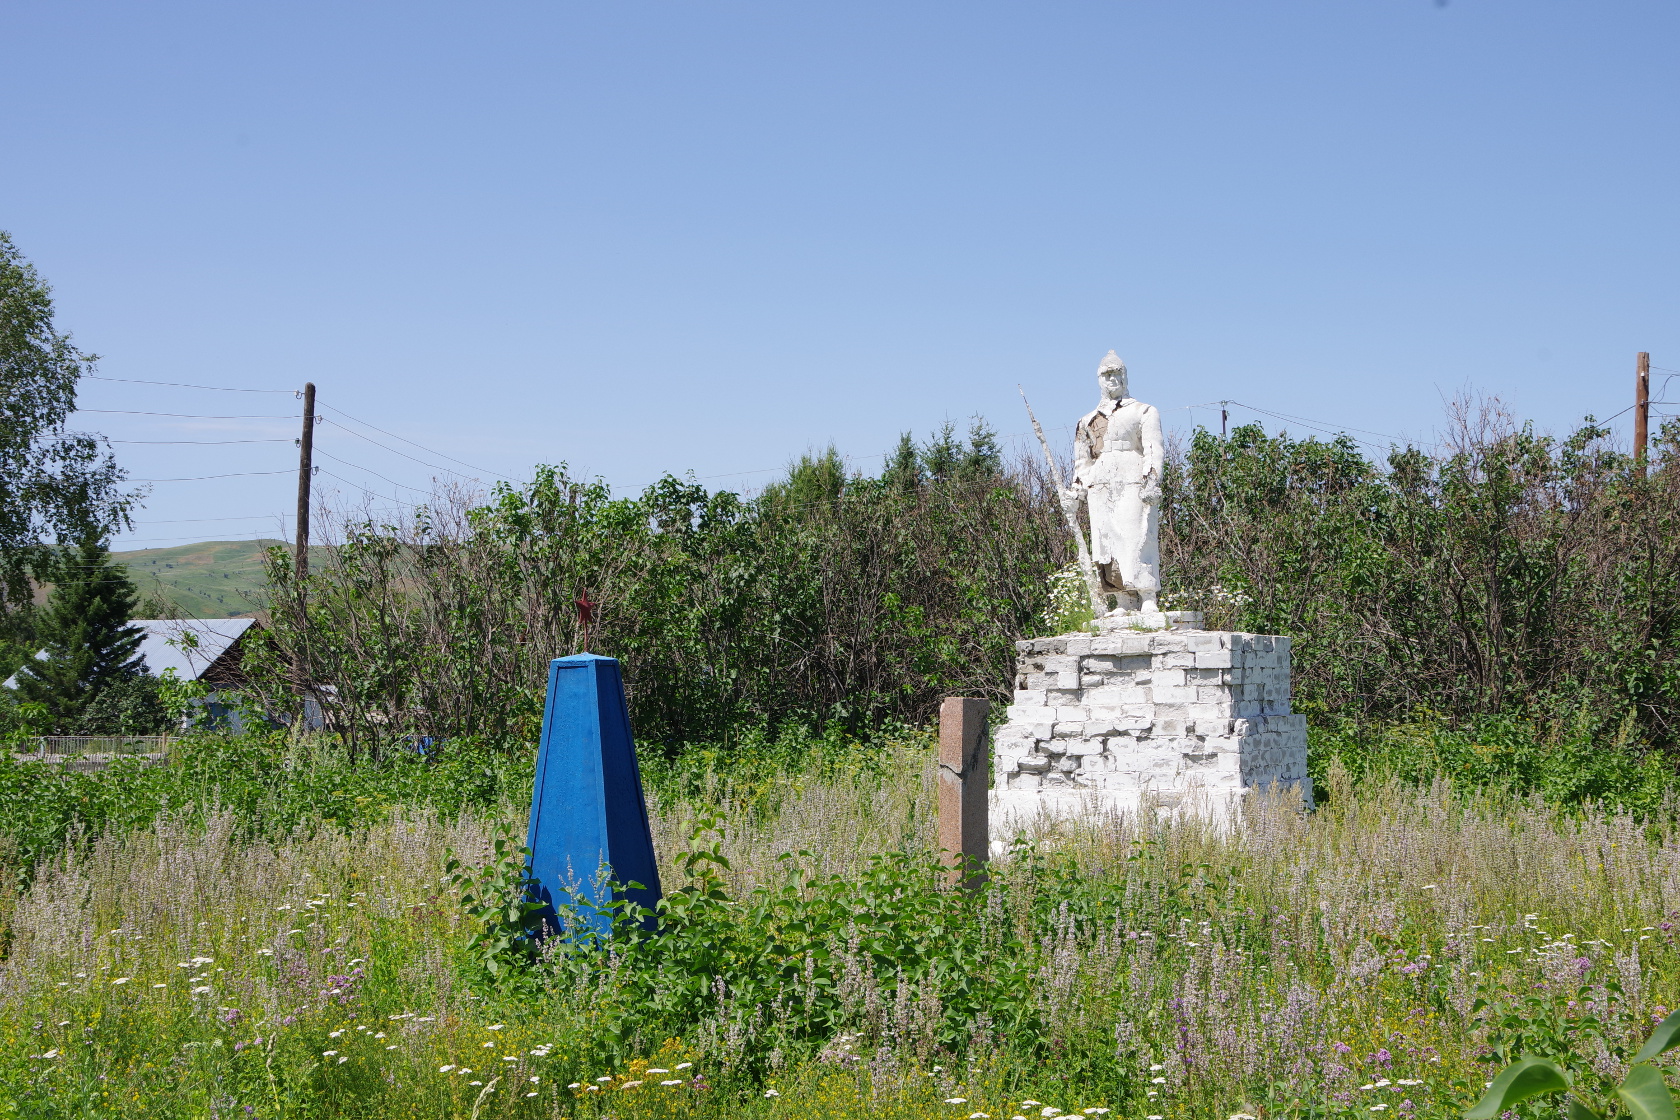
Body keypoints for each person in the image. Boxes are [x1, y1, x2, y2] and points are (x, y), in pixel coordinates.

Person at [1061, 351, 1164, 613]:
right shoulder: (1087, 420)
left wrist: (1152, 479)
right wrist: (1076, 492)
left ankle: (1147, 595)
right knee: (1106, 541)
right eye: (1107, 375)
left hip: (1132, 478)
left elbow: (1153, 448)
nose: (1112, 379)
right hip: (1101, 483)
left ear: (1125, 376)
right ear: (1098, 379)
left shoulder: (1143, 411)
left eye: (1117, 373)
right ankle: (1122, 598)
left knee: (1136, 535)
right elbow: (1082, 462)